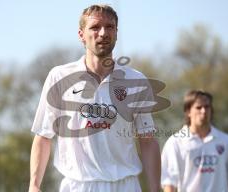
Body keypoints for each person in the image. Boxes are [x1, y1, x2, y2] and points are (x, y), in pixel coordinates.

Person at [29, 4, 161, 192]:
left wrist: (155, 188)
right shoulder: (59, 77)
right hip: (77, 185)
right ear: (81, 34)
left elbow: (147, 140)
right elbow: (43, 135)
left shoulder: (136, 80)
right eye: (95, 27)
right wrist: (34, 185)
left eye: (110, 27)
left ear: (116, 32)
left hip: (125, 185)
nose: (103, 33)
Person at [161, 90, 228, 192]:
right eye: (198, 107)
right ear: (188, 111)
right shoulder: (175, 142)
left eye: (207, 107)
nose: (204, 111)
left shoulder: (227, 141)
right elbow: (169, 183)